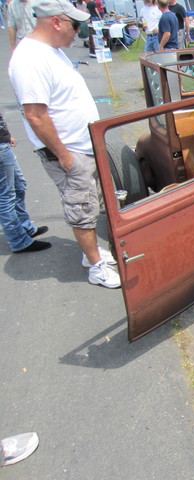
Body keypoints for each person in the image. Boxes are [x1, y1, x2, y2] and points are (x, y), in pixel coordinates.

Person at [8, 0, 121, 288]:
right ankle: (97, 266)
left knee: (91, 204)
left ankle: (91, 254)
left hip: (83, 145)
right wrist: (64, 155)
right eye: (75, 25)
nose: (78, 32)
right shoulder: (30, 59)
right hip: (70, 151)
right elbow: (35, 114)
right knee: (81, 208)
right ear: (56, 22)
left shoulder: (51, 52)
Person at [0, 111, 51, 254]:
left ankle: (25, 227)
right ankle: (19, 241)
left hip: (2, 143)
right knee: (6, 197)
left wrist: (6, 135)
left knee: (19, 186)